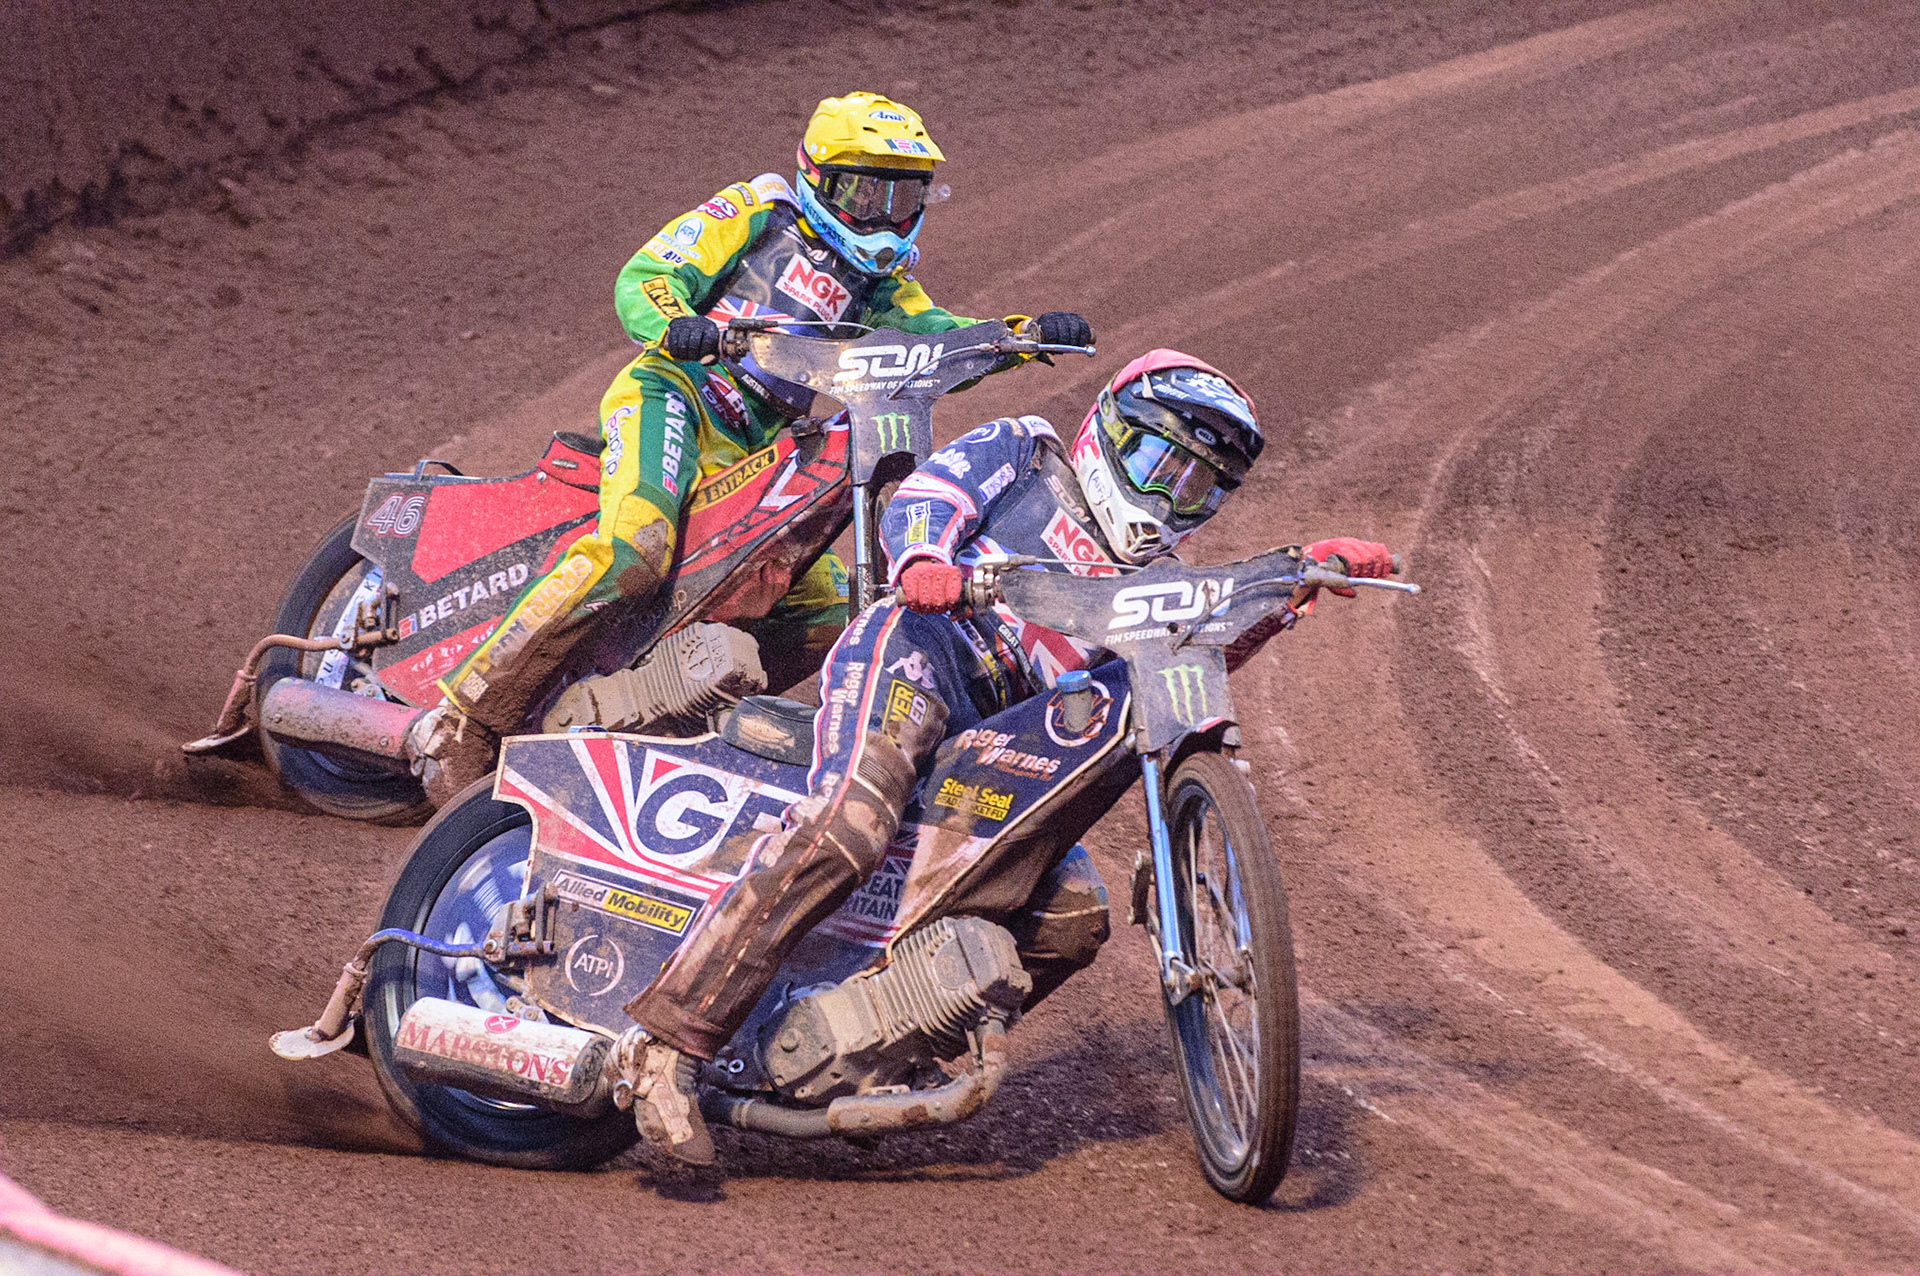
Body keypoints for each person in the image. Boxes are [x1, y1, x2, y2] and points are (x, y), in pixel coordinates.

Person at [616, 349, 1394, 1163]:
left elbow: (1188, 663)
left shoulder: (1157, 581)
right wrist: (923, 560)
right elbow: (928, 496)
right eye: (1155, 460)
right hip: (923, 650)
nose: (1167, 494)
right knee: (850, 823)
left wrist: (1294, 585)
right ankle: (667, 1043)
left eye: (1196, 484)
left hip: (1004, 734)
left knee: (1071, 912)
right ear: (1106, 432)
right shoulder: (1026, 451)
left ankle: (862, 1048)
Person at [409, 91, 1093, 802]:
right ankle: (459, 714)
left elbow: (936, 339)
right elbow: (647, 277)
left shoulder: (882, 288)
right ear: (820, 178)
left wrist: (1020, 336)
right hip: (677, 398)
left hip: (761, 450)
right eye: (866, 190)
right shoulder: (761, 211)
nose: (884, 213)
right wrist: (678, 323)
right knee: (635, 547)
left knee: (844, 612)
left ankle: (673, 708)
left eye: (903, 195)